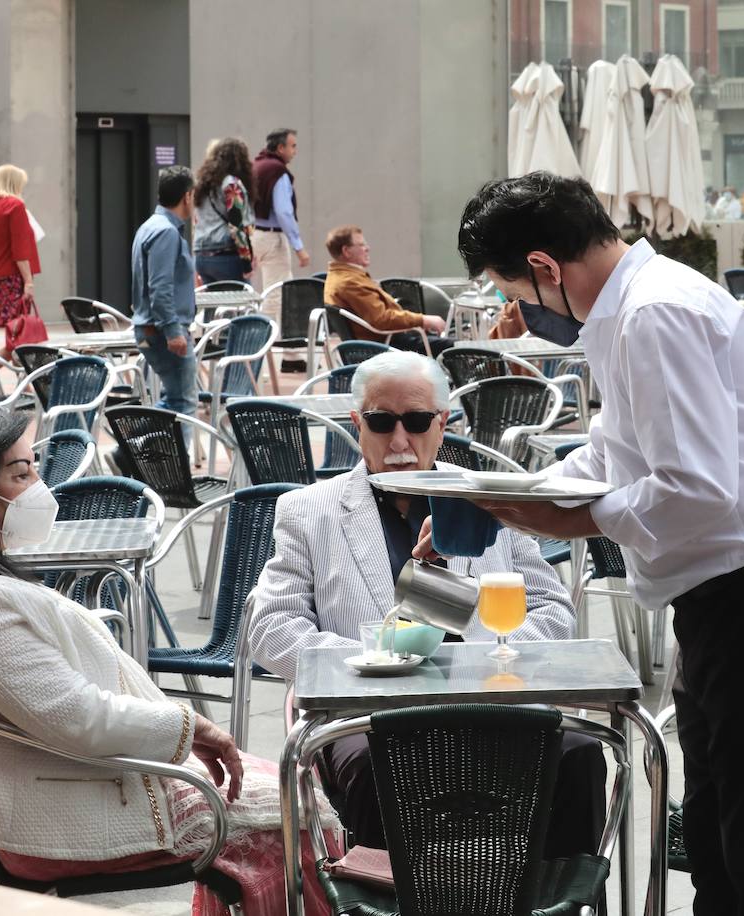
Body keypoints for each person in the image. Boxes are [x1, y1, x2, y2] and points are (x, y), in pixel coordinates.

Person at [437, 172, 744, 915]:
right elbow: (610, 454)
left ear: (544, 268)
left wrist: (572, 521)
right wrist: (514, 500)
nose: (522, 314)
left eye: (516, 294)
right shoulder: (628, 311)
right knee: (725, 853)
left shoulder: (654, 312)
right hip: (723, 597)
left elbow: (696, 486)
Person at [0, 401, 336, 915]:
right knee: (300, 812)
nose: (37, 486)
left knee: (288, 785)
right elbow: (80, 718)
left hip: (30, 796)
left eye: (35, 467)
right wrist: (194, 727)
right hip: (66, 815)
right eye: (20, 472)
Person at [247, 349, 601, 857]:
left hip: (494, 701)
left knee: (580, 754)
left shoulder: (488, 503)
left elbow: (553, 609)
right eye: (381, 421)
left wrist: (487, 656)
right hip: (372, 712)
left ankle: (556, 902)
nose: (399, 440)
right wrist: (370, 662)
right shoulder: (308, 509)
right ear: (357, 423)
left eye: (415, 422)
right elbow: (270, 625)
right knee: (377, 766)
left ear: (442, 423)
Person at [130, 166, 199, 419]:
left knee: (176, 399)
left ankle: (131, 451)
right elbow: (160, 287)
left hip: (149, 327)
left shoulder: (150, 227)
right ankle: (172, 457)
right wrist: (173, 330)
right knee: (184, 403)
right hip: (162, 330)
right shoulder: (166, 232)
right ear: (187, 196)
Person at [322, 225, 450, 356]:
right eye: (361, 245)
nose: (367, 248)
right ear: (346, 251)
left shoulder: (339, 276)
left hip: (375, 345)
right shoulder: (349, 282)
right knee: (457, 348)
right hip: (385, 347)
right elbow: (382, 319)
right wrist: (423, 320)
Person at [0, 165, 41, 357]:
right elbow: (19, 249)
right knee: (19, 333)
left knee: (14, 332)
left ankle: (20, 375)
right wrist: (28, 281)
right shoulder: (15, 205)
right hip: (13, 276)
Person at [251, 128, 310, 317]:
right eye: (292, 146)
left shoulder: (256, 165)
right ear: (280, 148)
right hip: (272, 238)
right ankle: (268, 341)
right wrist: (298, 247)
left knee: (254, 292)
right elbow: (284, 212)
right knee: (276, 293)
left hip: (253, 235)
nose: (295, 151)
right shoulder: (278, 172)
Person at [192, 137, 255, 286]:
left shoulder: (203, 182)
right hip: (226, 254)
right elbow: (236, 225)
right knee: (240, 304)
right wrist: (246, 261)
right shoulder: (231, 184)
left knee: (213, 305)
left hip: (202, 255)